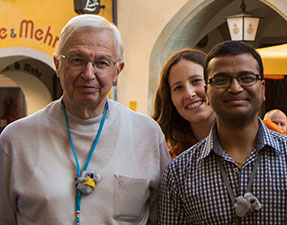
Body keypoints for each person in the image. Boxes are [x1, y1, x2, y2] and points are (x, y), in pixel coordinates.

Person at [0, 14, 170, 224]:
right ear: (57, 65)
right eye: (77, 60)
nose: (88, 74)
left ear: (117, 71)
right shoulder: (16, 140)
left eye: (102, 62)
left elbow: (163, 216)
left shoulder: (147, 134)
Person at [158, 40, 287, 224]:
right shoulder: (178, 173)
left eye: (247, 78)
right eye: (221, 80)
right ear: (207, 91)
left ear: (263, 88)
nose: (235, 88)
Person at [152, 48, 215, 158]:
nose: (189, 94)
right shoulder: (170, 159)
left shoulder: (248, 142)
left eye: (196, 81)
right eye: (178, 88)